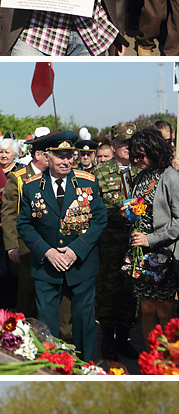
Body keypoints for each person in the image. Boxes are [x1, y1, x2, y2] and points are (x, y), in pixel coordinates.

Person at [17, 130, 107, 362]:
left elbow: (99, 219)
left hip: (81, 264)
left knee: (84, 320)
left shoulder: (88, 182)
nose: (66, 160)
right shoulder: (30, 186)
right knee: (47, 323)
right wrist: (46, 251)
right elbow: (24, 225)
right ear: (47, 157)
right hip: (47, 267)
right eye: (60, 156)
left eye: (69, 155)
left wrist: (76, 250)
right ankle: (51, 365)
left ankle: (86, 366)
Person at [124, 126, 178, 343]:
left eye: (140, 155)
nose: (136, 160)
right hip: (142, 255)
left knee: (165, 312)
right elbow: (140, 212)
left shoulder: (171, 177)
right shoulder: (141, 177)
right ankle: (150, 358)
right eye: (133, 156)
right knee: (146, 309)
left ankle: (169, 362)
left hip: (164, 254)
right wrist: (128, 213)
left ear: (155, 150)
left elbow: (177, 221)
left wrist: (150, 239)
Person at [94, 121, 139, 361]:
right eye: (123, 143)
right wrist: (116, 213)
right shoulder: (100, 172)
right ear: (114, 145)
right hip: (109, 243)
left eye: (131, 143)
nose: (127, 148)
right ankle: (108, 340)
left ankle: (124, 338)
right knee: (108, 291)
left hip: (136, 244)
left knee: (131, 292)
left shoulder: (142, 170)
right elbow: (92, 208)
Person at [1, 133, 49, 314]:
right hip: (26, 245)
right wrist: (12, 245)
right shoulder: (18, 178)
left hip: (51, 242)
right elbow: (9, 214)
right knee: (28, 289)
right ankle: (25, 327)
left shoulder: (55, 176)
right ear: (38, 155)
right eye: (49, 153)